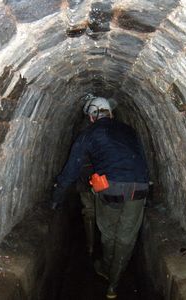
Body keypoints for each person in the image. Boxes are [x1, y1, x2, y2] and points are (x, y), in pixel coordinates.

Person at [51, 97, 149, 299]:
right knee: (126, 238)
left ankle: (105, 267)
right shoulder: (129, 130)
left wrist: (56, 197)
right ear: (110, 113)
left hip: (110, 188)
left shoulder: (88, 133)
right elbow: (141, 158)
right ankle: (114, 284)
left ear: (91, 117)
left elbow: (71, 170)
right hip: (139, 187)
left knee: (109, 233)